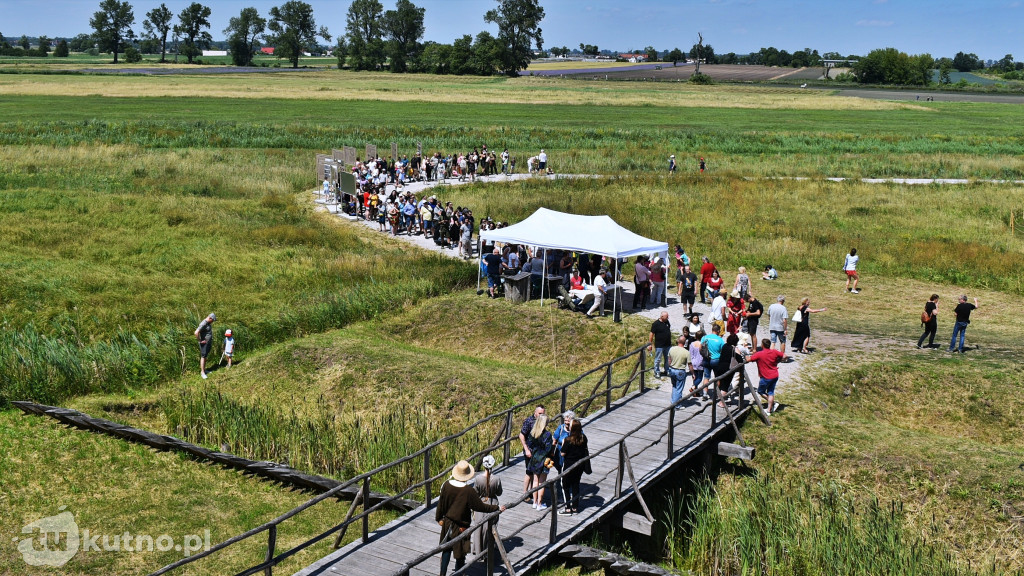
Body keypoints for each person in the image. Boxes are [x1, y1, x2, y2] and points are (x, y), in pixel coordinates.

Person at [436, 460, 505, 576]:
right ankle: (459, 574)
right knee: (460, 554)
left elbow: (441, 504)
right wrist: (496, 508)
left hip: (447, 523)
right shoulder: (468, 491)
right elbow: (480, 506)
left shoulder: (446, 485)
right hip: (461, 526)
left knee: (446, 549)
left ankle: (442, 574)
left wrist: (439, 518)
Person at [471, 455, 503, 555]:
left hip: (481, 504)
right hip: (493, 503)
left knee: (479, 527)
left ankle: (478, 549)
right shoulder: (497, 479)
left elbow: (475, 492)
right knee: (490, 528)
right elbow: (499, 493)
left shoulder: (478, 478)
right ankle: (488, 549)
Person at [558, 420, 590, 515]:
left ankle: (568, 508)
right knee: (576, 485)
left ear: (573, 428)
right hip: (580, 465)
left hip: (569, 465)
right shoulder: (583, 438)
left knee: (565, 485)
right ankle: (575, 507)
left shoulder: (568, 440)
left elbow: (562, 453)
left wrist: (563, 443)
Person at [748, 338, 785, 413]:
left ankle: (772, 403)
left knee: (761, 391)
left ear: (762, 345)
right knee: (771, 392)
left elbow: (748, 360)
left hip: (765, 377)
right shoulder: (774, 351)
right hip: (774, 375)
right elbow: (784, 356)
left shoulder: (759, 354)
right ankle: (769, 409)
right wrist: (777, 361)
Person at [525, 414, 553, 510]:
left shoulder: (533, 433)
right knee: (542, 483)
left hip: (534, 458)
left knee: (535, 481)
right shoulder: (547, 434)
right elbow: (548, 448)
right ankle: (539, 504)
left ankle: (534, 502)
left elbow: (529, 444)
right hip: (544, 459)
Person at [518, 406, 544, 500]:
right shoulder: (529, 421)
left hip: (538, 452)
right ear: (535, 412)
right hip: (530, 451)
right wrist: (526, 449)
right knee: (529, 472)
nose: (541, 415)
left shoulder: (542, 421)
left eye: (543, 413)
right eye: (540, 413)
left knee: (535, 472)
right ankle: (525, 493)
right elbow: (521, 435)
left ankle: (531, 491)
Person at [648, 311, 672, 379]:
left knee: (667, 358)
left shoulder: (667, 322)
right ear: (662, 317)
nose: (668, 318)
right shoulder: (656, 324)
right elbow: (651, 334)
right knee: (658, 359)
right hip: (659, 345)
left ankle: (667, 370)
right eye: (666, 317)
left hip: (667, 345)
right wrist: (650, 344)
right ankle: (657, 371)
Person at [667, 335, 690, 405]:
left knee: (674, 386)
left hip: (672, 369)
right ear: (685, 343)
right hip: (680, 371)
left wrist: (670, 367)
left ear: (678, 341)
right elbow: (690, 364)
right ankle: (677, 405)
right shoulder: (686, 352)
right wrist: (693, 373)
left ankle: (673, 401)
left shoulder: (671, 349)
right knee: (679, 389)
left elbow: (669, 360)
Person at [194, 313, 216, 379]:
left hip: (208, 342)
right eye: (212, 320)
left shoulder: (208, 323)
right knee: (203, 356)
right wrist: (200, 340)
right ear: (210, 318)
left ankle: (204, 370)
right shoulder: (203, 323)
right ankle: (202, 372)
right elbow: (196, 332)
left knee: (205, 356)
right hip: (204, 343)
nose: (212, 322)